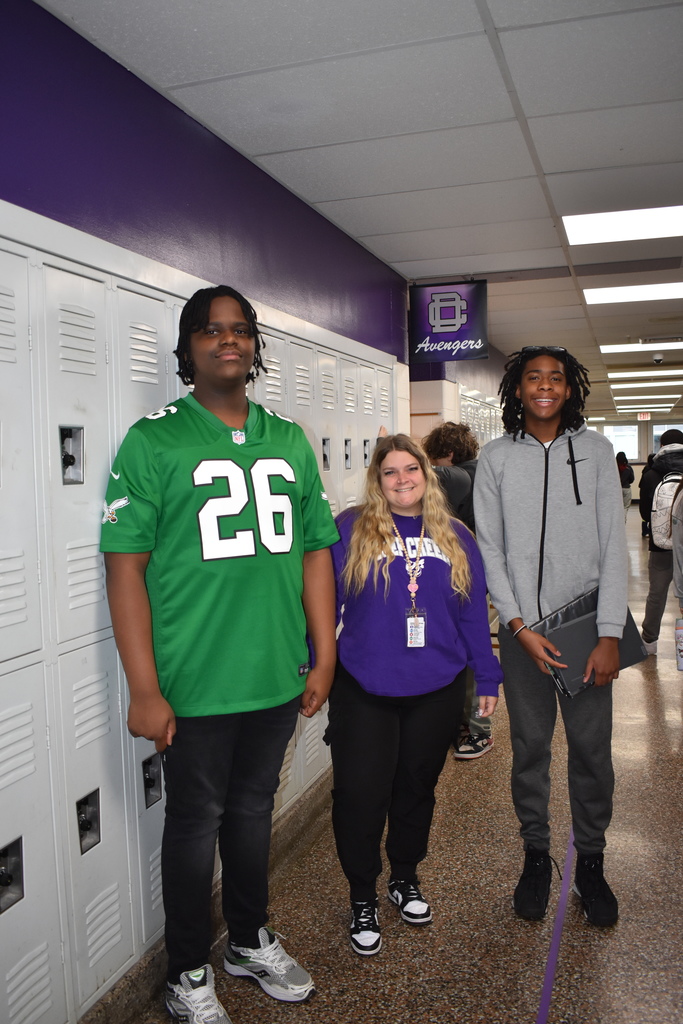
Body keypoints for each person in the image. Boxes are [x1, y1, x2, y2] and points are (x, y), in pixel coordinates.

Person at [100, 285, 339, 1024]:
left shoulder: (288, 438)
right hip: (194, 682)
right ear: (188, 347)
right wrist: (144, 687)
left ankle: (247, 938)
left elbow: (313, 555)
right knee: (193, 824)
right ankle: (185, 970)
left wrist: (323, 652)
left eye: (239, 331)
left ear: (254, 345)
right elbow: (125, 567)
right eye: (211, 330)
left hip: (273, 674)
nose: (227, 341)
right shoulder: (153, 440)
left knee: (251, 812)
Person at [327, 434, 501, 955]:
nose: (403, 479)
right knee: (360, 796)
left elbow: (472, 613)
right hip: (364, 686)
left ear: (427, 475)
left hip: (436, 687)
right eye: (391, 472)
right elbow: (323, 603)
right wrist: (313, 665)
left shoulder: (456, 536)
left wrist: (487, 677)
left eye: (412, 469)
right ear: (377, 480)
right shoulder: (349, 529)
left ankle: (404, 877)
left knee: (416, 789)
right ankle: (363, 896)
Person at [474, 346, 627, 928]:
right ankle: (536, 857)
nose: (544, 386)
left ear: (570, 389)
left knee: (592, 752)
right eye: (533, 378)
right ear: (517, 389)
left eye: (555, 378)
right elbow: (490, 546)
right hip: (522, 637)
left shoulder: (594, 452)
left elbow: (614, 546)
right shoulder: (495, 458)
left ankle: (591, 861)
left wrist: (609, 632)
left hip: (586, 630)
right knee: (530, 753)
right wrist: (516, 627)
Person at [423, 422, 493, 760]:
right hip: (473, 575)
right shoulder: (479, 470)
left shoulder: (462, 476)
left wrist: (384, 443)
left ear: (447, 454)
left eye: (436, 456)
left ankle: (479, 731)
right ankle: (465, 724)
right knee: (468, 651)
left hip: (468, 577)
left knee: (470, 654)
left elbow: (423, 474)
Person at [638, 429, 683, 655]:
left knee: (657, 593)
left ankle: (649, 641)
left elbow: (646, 513)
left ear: (662, 445)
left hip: (661, 545)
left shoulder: (651, 474)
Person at [615, 451, 634, 523]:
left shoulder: (614, 467)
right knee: (625, 506)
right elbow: (632, 479)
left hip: (617, 489)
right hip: (626, 488)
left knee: (617, 506)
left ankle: (618, 521)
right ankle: (623, 520)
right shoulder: (628, 467)